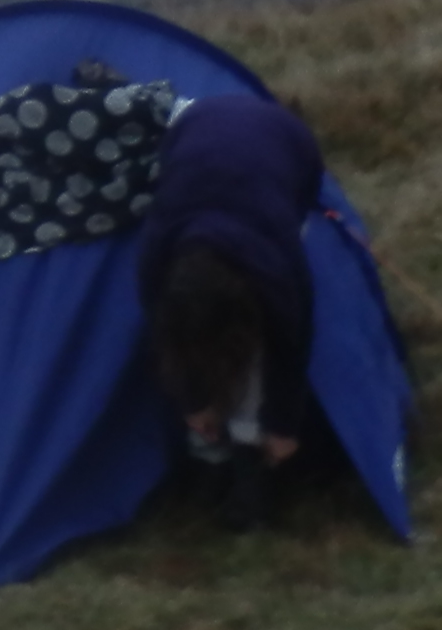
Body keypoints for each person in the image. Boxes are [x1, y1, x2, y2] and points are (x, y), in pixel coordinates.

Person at [135, 88, 323, 529]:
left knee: (256, 348)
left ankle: (247, 458)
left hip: (288, 144)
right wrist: (194, 402)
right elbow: (164, 335)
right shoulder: (157, 258)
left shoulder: (277, 266)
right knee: (195, 342)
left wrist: (282, 426)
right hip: (193, 132)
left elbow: (292, 345)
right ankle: (208, 458)